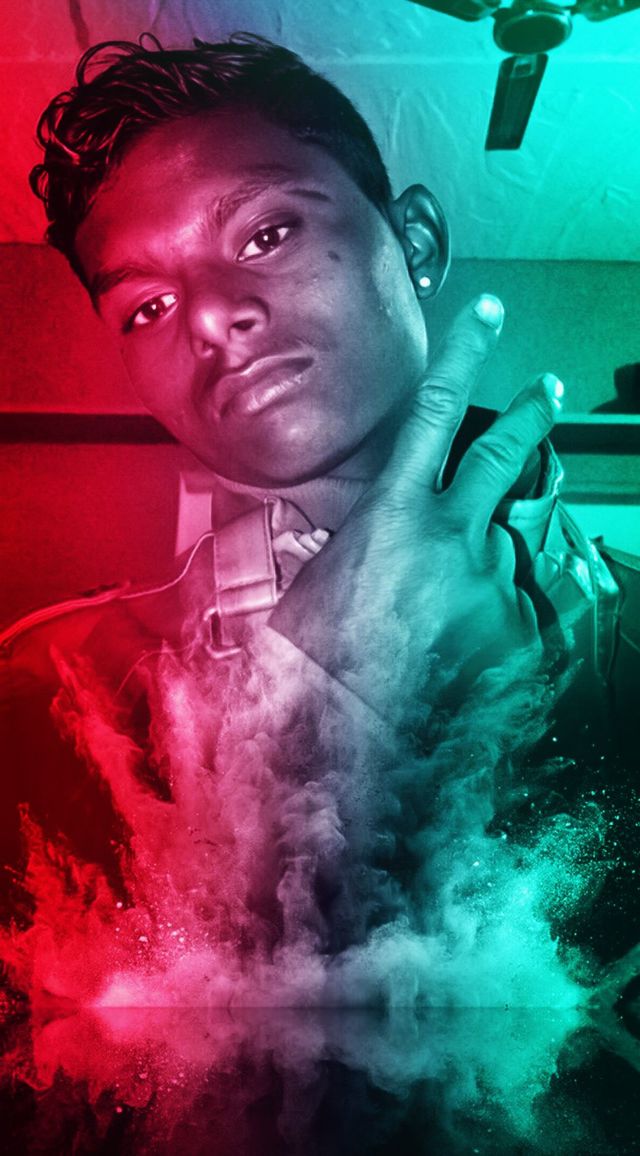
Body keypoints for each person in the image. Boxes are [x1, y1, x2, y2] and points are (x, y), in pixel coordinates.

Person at [0, 35, 636, 983]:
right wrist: (319, 724)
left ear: (416, 244)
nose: (208, 317)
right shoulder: (47, 688)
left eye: (266, 234)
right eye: (146, 308)